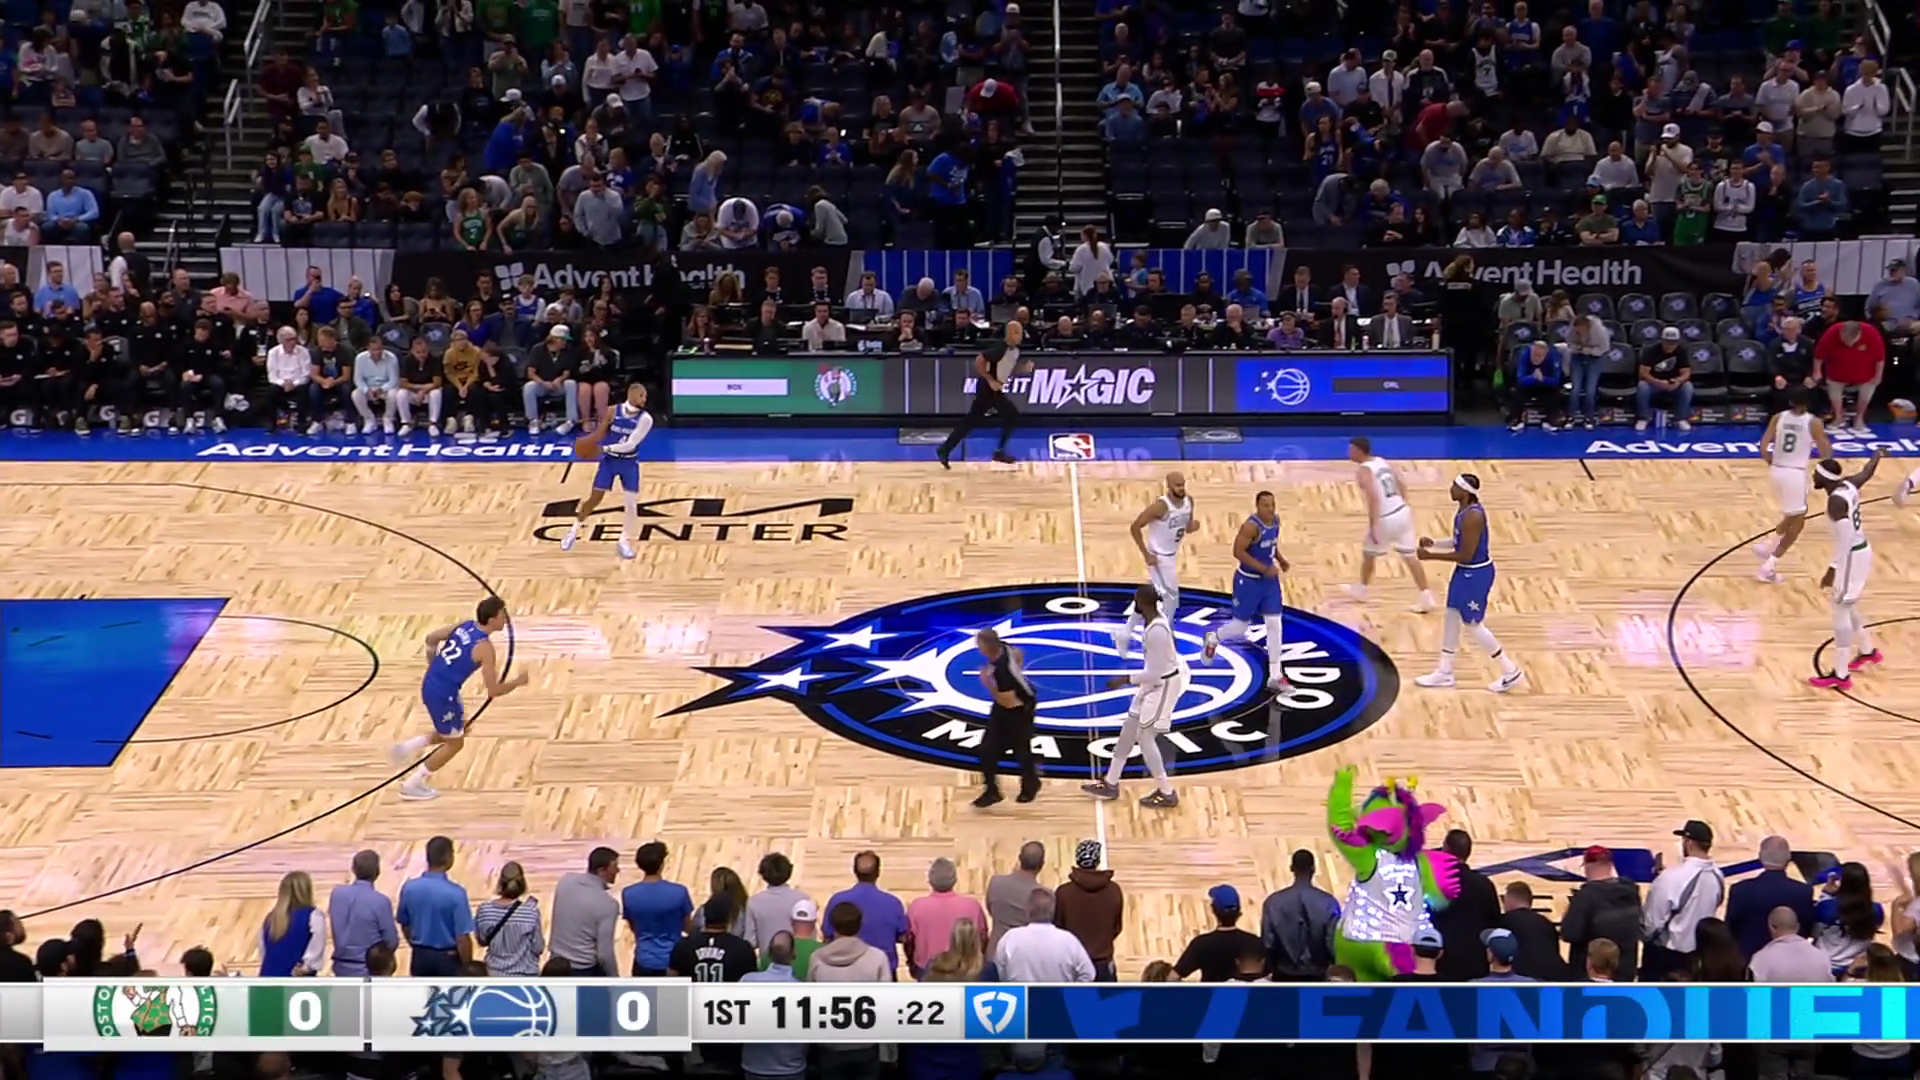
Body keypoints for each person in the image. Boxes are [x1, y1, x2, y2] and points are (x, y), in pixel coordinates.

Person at [390, 595, 529, 801]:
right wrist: (517, 682)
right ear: (491, 620)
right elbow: (494, 691)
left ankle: (405, 748)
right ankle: (412, 784)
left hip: (432, 684)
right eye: (502, 615)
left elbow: (431, 639)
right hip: (443, 695)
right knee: (455, 744)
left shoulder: (465, 626)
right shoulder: (485, 648)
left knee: (458, 730)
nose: (506, 619)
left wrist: (434, 665)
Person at [1414, 475, 1525, 692]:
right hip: (1465, 572)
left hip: (1476, 574)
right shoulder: (1463, 510)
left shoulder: (1473, 516)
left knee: (1473, 624)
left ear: (1465, 491)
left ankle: (1509, 670)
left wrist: (1430, 556)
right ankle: (1444, 672)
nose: (1450, 489)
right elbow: (1459, 542)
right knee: (1451, 616)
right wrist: (1434, 543)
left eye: (1455, 486)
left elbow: (1466, 554)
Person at [1082, 583, 1184, 808]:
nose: (1134, 603)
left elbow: (1155, 673)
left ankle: (1166, 792)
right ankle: (1111, 782)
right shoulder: (1150, 620)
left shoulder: (1157, 631)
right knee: (1128, 731)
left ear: (1143, 602)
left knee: (1145, 737)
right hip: (1153, 681)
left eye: (1136, 599)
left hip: (1163, 684)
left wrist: (1124, 679)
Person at [1201, 490, 1293, 697]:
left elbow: (1272, 545)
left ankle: (1275, 675)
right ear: (1257, 506)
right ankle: (1213, 638)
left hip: (1268, 583)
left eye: (1272, 504)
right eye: (1266, 505)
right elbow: (1238, 552)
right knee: (1240, 627)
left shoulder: (1275, 521)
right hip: (1248, 581)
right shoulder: (1250, 527)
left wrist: (1281, 560)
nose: (1270, 509)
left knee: (1274, 624)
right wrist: (1263, 568)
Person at [1809, 450, 1888, 689]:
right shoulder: (1847, 484)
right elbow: (1866, 473)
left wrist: (1833, 568)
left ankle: (1841, 674)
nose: (1813, 476)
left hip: (1852, 555)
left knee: (1840, 609)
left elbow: (1846, 537)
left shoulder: (1835, 502)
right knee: (1848, 604)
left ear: (1824, 478)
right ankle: (1867, 651)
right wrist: (1876, 457)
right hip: (1859, 551)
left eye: (1816, 473)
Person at [557, 382, 654, 560]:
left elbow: (630, 444)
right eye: (642, 395)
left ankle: (624, 541)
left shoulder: (646, 419)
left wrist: (604, 449)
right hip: (609, 462)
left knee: (631, 504)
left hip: (629, 463)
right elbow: (600, 434)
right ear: (631, 395)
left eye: (645, 396)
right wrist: (586, 442)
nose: (644, 399)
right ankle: (573, 530)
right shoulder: (612, 411)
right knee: (594, 499)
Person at [1344, 435, 1435, 612]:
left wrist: (1374, 525)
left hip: (1386, 518)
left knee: (1369, 553)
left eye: (1351, 450)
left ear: (1359, 451)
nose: (1348, 453)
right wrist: (1404, 504)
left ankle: (1361, 590)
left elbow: (1373, 497)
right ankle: (1426, 596)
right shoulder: (1381, 461)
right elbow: (1401, 483)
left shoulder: (1363, 470)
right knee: (1410, 557)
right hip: (1402, 511)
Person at [1754, 387, 1831, 584]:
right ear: (1808, 402)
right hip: (1794, 474)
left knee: (1793, 515)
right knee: (1798, 521)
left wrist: (1772, 461)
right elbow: (1825, 452)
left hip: (1777, 471)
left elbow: (1763, 447)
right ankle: (1769, 565)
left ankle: (1769, 545)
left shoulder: (1778, 417)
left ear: (1790, 402)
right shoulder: (1813, 422)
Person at [1116, 471, 1194, 655]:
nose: (1181, 488)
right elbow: (1135, 527)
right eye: (1177, 485)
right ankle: (1164, 636)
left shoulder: (1189, 501)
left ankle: (1125, 633)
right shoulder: (1160, 507)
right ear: (1169, 486)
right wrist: (1146, 554)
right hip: (1158, 557)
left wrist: (1193, 526)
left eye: (1182, 484)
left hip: (1171, 556)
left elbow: (1188, 527)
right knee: (1171, 599)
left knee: (1152, 597)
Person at [937, 320, 1027, 468]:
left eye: (1020, 332)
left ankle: (945, 449)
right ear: (1009, 334)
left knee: (973, 420)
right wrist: (990, 380)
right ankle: (998, 452)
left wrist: (1022, 369)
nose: (1020, 336)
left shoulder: (1015, 351)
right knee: (1011, 416)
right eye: (1016, 332)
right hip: (987, 388)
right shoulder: (1001, 348)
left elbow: (1006, 367)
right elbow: (979, 360)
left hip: (995, 389)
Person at [971, 627, 1039, 808]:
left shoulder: (1002, 673)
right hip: (1007, 706)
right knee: (986, 749)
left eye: (979, 644)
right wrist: (1018, 670)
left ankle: (1031, 785)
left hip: (1018, 709)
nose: (978, 648)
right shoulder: (1005, 647)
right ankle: (992, 791)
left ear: (986, 646)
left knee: (1021, 750)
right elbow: (1019, 653)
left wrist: (987, 683)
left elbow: (1008, 702)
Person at [1635, 327, 1696, 432]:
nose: (1670, 346)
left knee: (1687, 386)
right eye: (1667, 342)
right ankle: (1643, 418)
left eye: (1673, 343)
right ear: (1662, 340)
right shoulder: (1651, 350)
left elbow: (1686, 373)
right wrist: (1657, 382)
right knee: (1642, 386)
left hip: (1672, 384)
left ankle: (1681, 418)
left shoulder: (1681, 351)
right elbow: (1643, 373)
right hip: (1654, 383)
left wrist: (1678, 381)